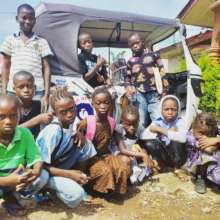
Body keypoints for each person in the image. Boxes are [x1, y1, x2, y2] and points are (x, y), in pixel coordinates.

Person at [36, 87, 97, 208]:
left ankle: (78, 182)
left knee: (85, 144)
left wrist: (78, 134)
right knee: (76, 196)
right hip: (42, 172)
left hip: (56, 165)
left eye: (72, 109)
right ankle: (43, 191)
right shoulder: (53, 131)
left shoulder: (68, 124)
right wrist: (69, 174)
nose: (70, 115)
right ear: (55, 113)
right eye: (63, 112)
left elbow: (71, 133)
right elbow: (40, 165)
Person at [0, 95, 48, 217]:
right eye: (1, 117)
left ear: (19, 115)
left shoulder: (24, 133)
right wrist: (7, 181)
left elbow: (36, 157)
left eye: (13, 116)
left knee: (43, 175)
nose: (8, 121)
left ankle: (13, 197)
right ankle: (9, 196)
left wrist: (35, 171)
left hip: (18, 178)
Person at [77, 87, 130, 194]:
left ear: (111, 104)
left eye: (106, 103)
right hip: (89, 159)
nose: (103, 106)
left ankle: (115, 192)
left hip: (105, 155)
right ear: (92, 104)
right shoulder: (86, 123)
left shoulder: (112, 122)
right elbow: (80, 149)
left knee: (122, 168)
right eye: (99, 103)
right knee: (105, 170)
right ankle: (87, 187)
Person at [0, 4, 52, 109]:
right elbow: (5, 67)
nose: (27, 21)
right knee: (14, 119)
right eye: (24, 18)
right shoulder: (10, 40)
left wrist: (46, 94)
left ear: (35, 20)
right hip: (13, 90)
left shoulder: (42, 42)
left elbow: (46, 68)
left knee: (36, 121)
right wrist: (4, 91)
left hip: (37, 91)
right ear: (17, 18)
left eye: (31, 18)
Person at [125, 32, 168, 127]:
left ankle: (160, 140)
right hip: (138, 95)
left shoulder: (154, 55)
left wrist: (165, 90)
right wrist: (128, 87)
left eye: (137, 43)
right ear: (129, 46)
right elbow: (127, 78)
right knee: (141, 120)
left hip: (154, 93)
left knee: (158, 119)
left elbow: (162, 71)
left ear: (142, 42)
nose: (135, 46)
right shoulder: (130, 61)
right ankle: (141, 140)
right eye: (132, 45)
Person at [140, 95, 188, 180]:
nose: (170, 112)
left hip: (179, 156)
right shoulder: (158, 121)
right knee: (149, 143)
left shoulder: (181, 121)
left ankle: (177, 168)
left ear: (178, 110)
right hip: (166, 154)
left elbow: (182, 138)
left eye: (173, 109)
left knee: (176, 140)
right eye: (166, 109)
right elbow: (143, 136)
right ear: (161, 110)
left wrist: (161, 130)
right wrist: (158, 131)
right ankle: (161, 164)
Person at [112, 105, 156, 184]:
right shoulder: (118, 130)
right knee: (128, 160)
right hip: (120, 154)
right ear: (122, 122)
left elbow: (142, 145)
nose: (132, 127)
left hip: (132, 154)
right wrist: (143, 155)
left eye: (134, 124)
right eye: (128, 124)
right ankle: (131, 174)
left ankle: (142, 171)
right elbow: (123, 150)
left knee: (143, 151)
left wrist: (145, 154)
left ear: (138, 121)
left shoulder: (140, 129)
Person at [186, 112, 220, 194]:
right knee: (204, 154)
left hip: (215, 160)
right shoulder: (190, 136)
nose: (204, 136)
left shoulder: (215, 129)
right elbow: (209, 149)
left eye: (208, 133)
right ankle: (200, 179)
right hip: (198, 165)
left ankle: (212, 178)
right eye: (201, 133)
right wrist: (215, 143)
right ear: (194, 127)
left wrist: (216, 140)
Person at [13, 71, 53, 138]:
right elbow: (11, 132)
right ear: (14, 89)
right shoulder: (11, 107)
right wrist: (38, 119)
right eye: (21, 87)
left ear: (35, 88)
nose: (26, 90)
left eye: (29, 86)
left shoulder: (40, 105)